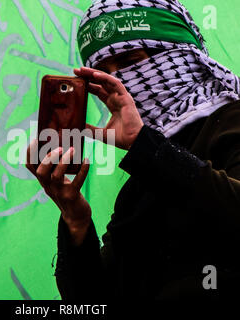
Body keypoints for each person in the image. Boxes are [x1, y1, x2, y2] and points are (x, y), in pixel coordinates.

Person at [26, 0, 240, 300]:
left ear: (179, 53)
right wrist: (76, 221)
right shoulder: (139, 186)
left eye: (130, 61)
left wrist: (145, 146)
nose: (121, 81)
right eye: (104, 72)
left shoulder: (232, 123)